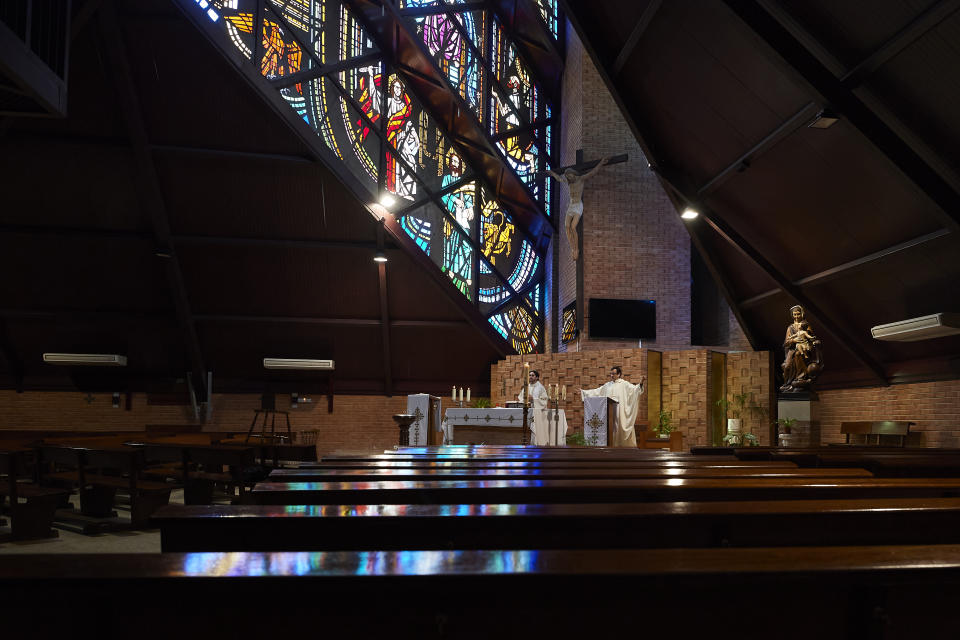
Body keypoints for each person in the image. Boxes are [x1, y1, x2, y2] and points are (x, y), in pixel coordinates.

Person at [546, 157, 609, 261]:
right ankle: (573, 248)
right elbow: (558, 178)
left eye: (570, 176)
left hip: (578, 206)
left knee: (573, 227)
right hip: (571, 206)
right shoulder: (568, 181)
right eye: (568, 177)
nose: (569, 178)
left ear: (573, 174)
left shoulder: (581, 179)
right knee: (566, 227)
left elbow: (593, 172)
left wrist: (601, 163)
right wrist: (552, 173)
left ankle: (577, 249)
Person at [579, 366, 645, 447]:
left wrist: (640, 383)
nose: (611, 375)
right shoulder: (607, 385)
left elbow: (635, 390)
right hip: (609, 412)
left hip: (619, 411)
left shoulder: (624, 384)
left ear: (619, 374)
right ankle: (611, 445)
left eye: (613, 374)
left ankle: (621, 446)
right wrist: (584, 392)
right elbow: (597, 392)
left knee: (619, 427)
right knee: (610, 427)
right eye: (611, 374)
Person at [780, 305, 823, 392]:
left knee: (798, 354)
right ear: (792, 315)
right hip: (792, 349)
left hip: (804, 348)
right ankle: (788, 385)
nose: (796, 316)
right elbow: (786, 343)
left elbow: (811, 337)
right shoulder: (790, 327)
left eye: (798, 314)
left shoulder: (805, 325)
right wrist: (793, 340)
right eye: (794, 314)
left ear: (802, 314)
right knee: (787, 366)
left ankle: (800, 378)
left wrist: (813, 341)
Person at [518, 369, 549, 445]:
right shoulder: (526, 387)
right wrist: (525, 400)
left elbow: (544, 400)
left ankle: (535, 445)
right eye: (530, 375)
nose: (530, 377)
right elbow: (520, 398)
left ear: (537, 378)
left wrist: (534, 400)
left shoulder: (540, 388)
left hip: (537, 413)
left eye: (532, 375)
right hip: (527, 411)